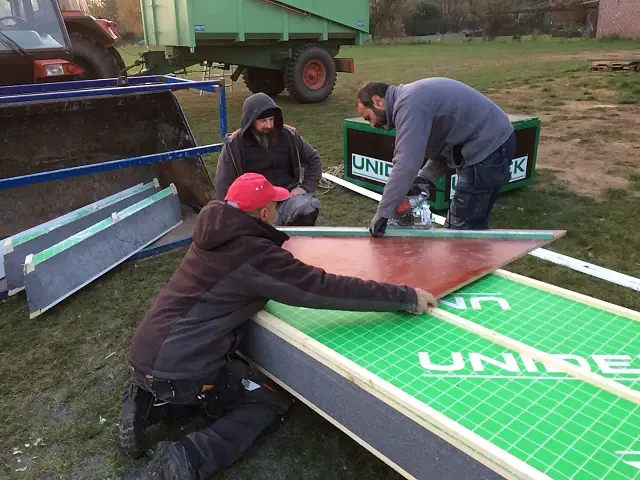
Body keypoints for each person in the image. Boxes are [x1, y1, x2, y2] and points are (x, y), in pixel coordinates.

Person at [119, 172, 438, 480]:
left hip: (147, 352)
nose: (277, 209)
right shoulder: (254, 254)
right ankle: (190, 456)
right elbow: (322, 287)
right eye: (273, 205)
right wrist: (404, 296)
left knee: (216, 380)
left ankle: (148, 403)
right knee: (268, 397)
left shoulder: (212, 235)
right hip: (183, 367)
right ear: (262, 212)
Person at [354, 78, 517, 236]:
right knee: (471, 229)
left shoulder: (409, 105)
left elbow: (405, 163)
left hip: (488, 148)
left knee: (459, 233)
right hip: (491, 142)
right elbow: (445, 146)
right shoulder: (411, 99)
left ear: (378, 101)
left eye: (368, 117)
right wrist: (425, 177)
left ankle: (465, 262)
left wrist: (383, 213)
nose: (372, 125)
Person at [215, 92, 323, 227]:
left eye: (271, 119)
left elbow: (314, 159)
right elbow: (223, 184)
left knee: (309, 207)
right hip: (256, 206)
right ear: (251, 120)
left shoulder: (289, 135)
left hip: (287, 197)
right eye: (263, 121)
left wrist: (305, 187)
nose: (269, 125)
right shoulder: (235, 145)